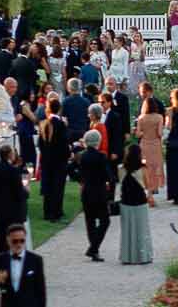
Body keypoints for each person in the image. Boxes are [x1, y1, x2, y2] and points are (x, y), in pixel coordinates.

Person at [73, 131, 116, 260]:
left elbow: (72, 170)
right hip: (99, 191)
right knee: (105, 221)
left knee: (90, 221)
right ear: (98, 141)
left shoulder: (82, 156)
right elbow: (109, 176)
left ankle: (94, 249)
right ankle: (94, 248)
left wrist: (80, 179)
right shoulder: (101, 156)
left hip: (87, 191)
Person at [0, 143, 28, 246]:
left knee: (0, 238)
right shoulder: (14, 171)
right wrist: (26, 192)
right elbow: (19, 193)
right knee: (14, 239)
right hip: (14, 212)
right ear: (10, 155)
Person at [117, 142, 154, 265]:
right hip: (140, 200)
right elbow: (148, 185)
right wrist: (150, 196)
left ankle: (127, 256)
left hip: (126, 201)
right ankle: (143, 256)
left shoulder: (121, 169)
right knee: (142, 229)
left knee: (127, 230)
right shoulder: (143, 168)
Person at [38, 94, 71, 221]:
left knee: (48, 185)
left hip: (47, 160)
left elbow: (40, 144)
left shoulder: (43, 123)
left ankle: (47, 212)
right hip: (59, 161)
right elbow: (64, 143)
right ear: (59, 109)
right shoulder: (60, 124)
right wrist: (68, 155)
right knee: (58, 186)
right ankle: (57, 212)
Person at [135, 89, 165, 198]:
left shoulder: (141, 118)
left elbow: (138, 134)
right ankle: (154, 188)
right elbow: (160, 133)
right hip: (155, 145)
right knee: (155, 166)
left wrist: (144, 132)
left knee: (145, 166)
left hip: (144, 144)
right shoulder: (159, 117)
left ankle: (148, 189)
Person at [104, 86, 130, 167]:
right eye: (107, 84)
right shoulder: (103, 96)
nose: (109, 86)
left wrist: (127, 131)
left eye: (111, 84)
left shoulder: (122, 97)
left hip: (119, 126)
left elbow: (126, 115)